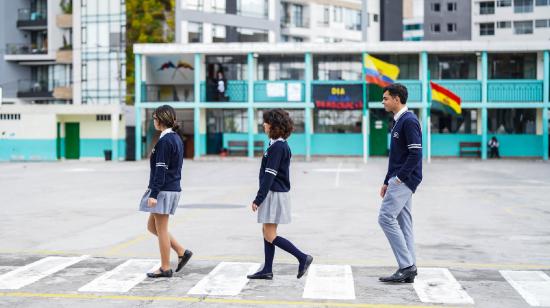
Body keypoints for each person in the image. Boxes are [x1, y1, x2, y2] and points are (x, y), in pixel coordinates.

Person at [247, 109, 313, 280]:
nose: (264, 124)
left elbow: (270, 175)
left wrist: (258, 198)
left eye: (266, 122)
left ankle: (302, 257)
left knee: (270, 234)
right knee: (266, 231)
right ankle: (267, 269)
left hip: (273, 193)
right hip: (275, 192)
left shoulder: (278, 147)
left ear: (274, 126)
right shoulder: (276, 144)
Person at [139, 105, 193, 278]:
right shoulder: (175, 138)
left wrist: (154, 194)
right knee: (151, 226)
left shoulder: (165, 141)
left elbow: (161, 169)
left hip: (164, 189)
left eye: (154, 118)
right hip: (171, 187)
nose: (153, 121)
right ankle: (181, 251)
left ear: (160, 120)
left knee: (161, 229)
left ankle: (165, 267)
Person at [378, 83, 422, 283]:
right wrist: (387, 180)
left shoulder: (409, 120)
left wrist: (398, 178)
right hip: (398, 180)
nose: (383, 101)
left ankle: (406, 266)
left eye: (386, 98)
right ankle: (409, 267)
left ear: (397, 99)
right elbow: (395, 157)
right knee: (405, 225)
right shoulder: (398, 121)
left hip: (404, 180)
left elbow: (415, 153)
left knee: (385, 218)